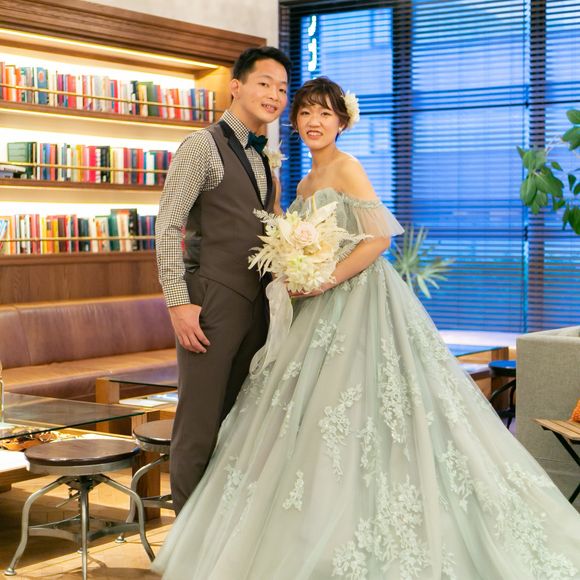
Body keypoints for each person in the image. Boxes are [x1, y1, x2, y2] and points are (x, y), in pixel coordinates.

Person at [153, 77, 580, 579]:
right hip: (310, 307)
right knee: (307, 422)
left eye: (325, 114)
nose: (314, 121)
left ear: (342, 122)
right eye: (306, 112)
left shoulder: (347, 168)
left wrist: (325, 277)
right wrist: (295, 267)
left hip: (356, 301)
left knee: (365, 412)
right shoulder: (302, 180)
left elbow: (378, 240)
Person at [155, 46, 291, 514]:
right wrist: (178, 302)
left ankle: (219, 532)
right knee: (199, 425)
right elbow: (168, 225)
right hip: (210, 302)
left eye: (282, 89)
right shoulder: (200, 146)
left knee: (239, 423)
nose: (274, 95)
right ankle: (185, 541)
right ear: (236, 86)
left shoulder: (265, 156)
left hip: (257, 305)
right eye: (264, 83)